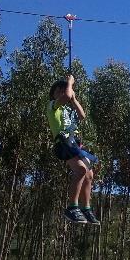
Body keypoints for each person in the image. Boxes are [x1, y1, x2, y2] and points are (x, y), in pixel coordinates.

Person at [46, 75, 100, 225]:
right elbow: (67, 95)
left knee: (89, 174)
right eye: (60, 90)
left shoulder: (68, 109)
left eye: (65, 89)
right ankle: (72, 207)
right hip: (63, 142)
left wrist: (74, 100)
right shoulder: (52, 106)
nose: (64, 92)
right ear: (53, 94)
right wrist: (70, 83)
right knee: (81, 170)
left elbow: (82, 116)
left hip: (75, 143)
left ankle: (86, 208)